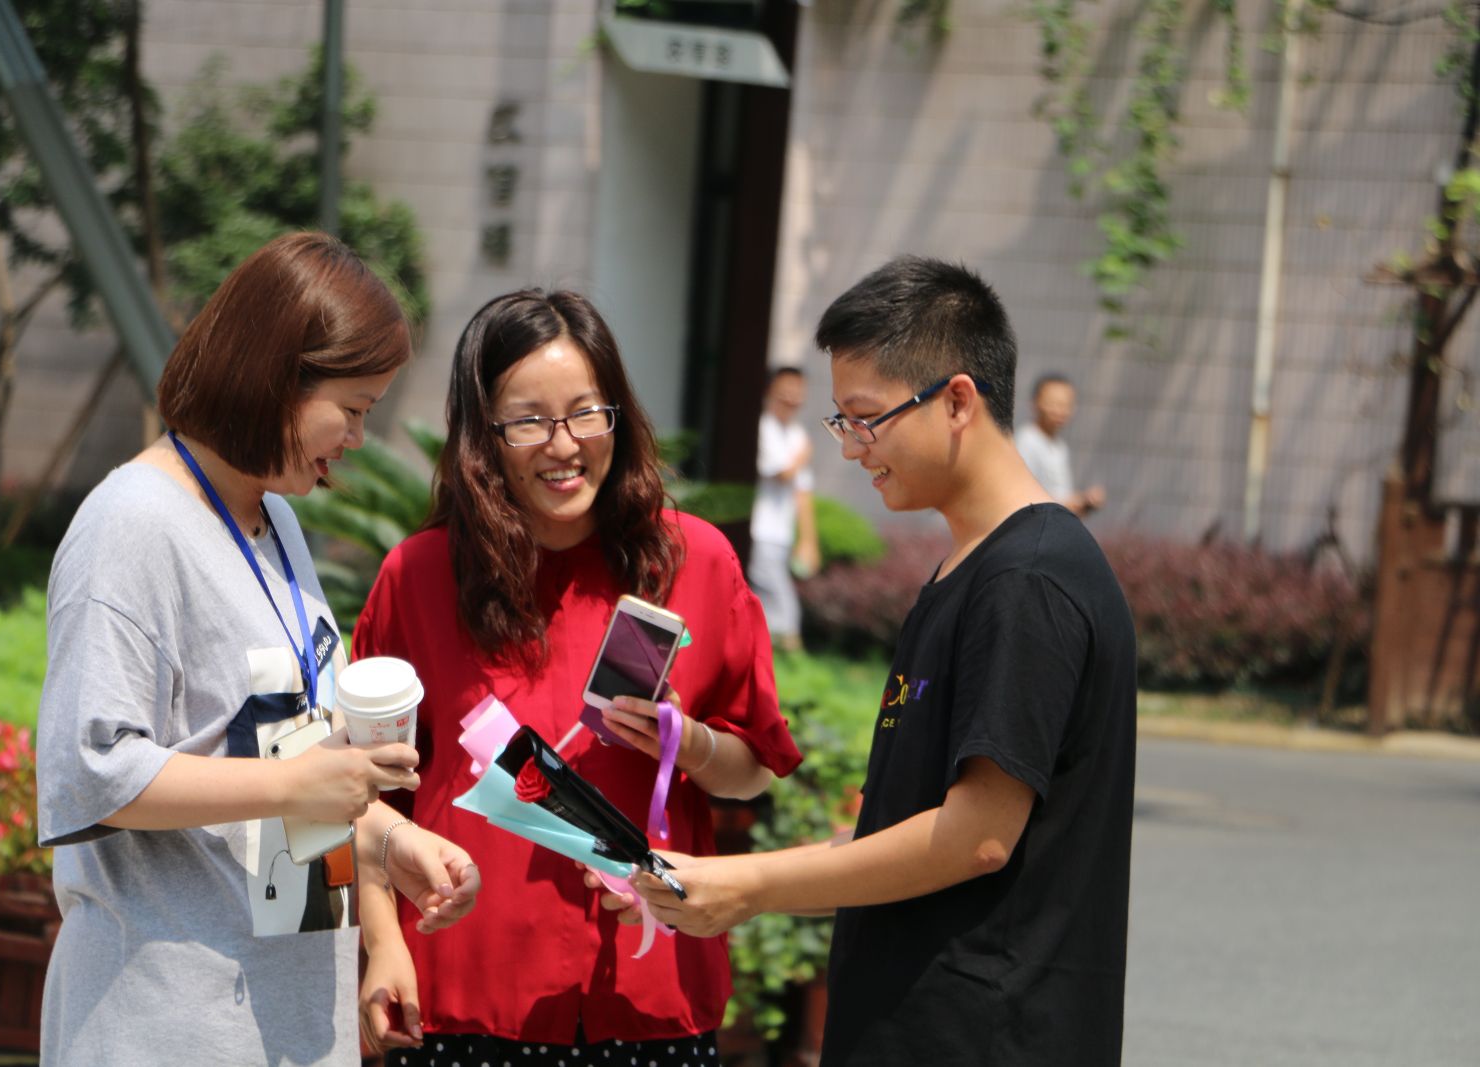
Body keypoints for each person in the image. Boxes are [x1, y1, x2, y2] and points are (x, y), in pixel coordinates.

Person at [606, 257, 1137, 1066]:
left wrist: (747, 887)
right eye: (841, 421)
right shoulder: (971, 567)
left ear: (957, 400)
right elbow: (904, 824)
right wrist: (728, 879)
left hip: (985, 1037)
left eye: (867, 419)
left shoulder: (1027, 580)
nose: (853, 448)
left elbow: (977, 836)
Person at [36, 232, 479, 1066]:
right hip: (166, 1023)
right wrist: (293, 783)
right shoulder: (130, 525)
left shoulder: (273, 520)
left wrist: (391, 849)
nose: (357, 437)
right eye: (353, 408)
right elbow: (90, 768)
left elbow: (281, 752)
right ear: (277, 379)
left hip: (285, 1016)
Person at [351, 288, 804, 1066]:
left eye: (586, 413)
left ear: (617, 416)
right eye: (528, 420)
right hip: (469, 992)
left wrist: (687, 741)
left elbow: (753, 770)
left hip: (649, 993)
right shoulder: (418, 575)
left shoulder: (694, 560)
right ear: (484, 435)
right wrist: (384, 943)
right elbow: (364, 794)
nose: (563, 445)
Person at [749, 366, 821, 650]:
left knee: (769, 602)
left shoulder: (797, 435)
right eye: (786, 389)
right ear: (770, 390)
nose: (792, 396)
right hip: (759, 531)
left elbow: (802, 493)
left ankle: (773, 653)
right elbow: (782, 473)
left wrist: (808, 541)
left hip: (781, 535)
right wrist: (804, 455)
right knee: (781, 604)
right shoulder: (762, 428)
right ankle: (789, 651)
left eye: (798, 390)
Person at [1014, 371, 1107, 516]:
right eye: (1053, 403)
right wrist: (1073, 502)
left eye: (1066, 404)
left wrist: (1084, 503)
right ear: (1035, 403)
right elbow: (1022, 499)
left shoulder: (1059, 446)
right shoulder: (1027, 441)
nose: (1060, 411)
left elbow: (1060, 500)